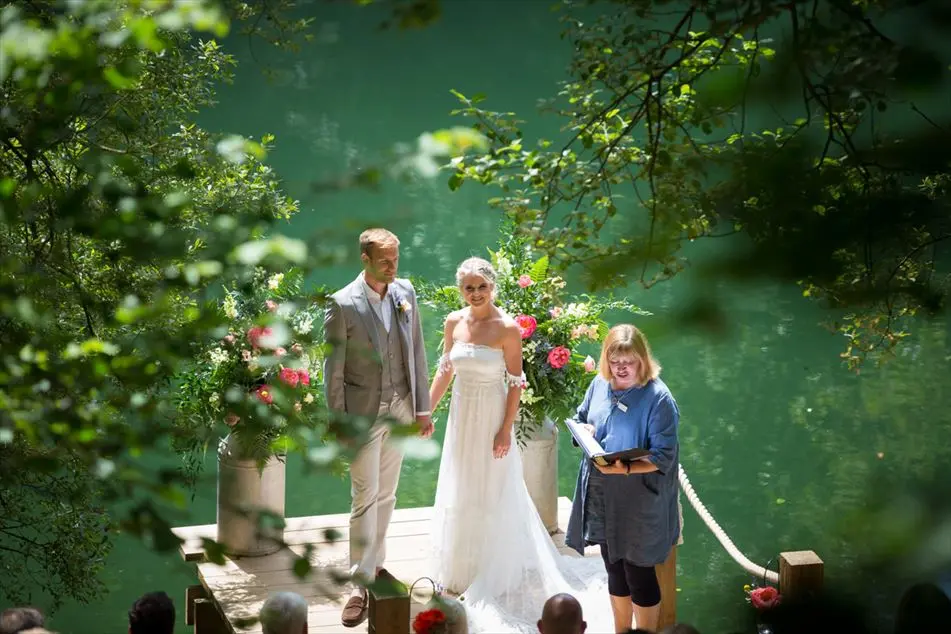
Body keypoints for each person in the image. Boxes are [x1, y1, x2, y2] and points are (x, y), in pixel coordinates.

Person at [428, 257, 610, 633]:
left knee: (494, 489)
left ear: (492, 287)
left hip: (493, 416)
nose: (475, 293)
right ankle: (461, 568)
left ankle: (495, 570)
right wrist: (424, 411)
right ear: (460, 289)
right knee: (462, 486)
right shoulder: (453, 322)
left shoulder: (507, 329)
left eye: (482, 286)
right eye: (469, 287)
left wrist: (505, 430)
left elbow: (515, 382)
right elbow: (445, 370)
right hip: (462, 417)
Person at [323, 228, 433, 627]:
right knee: (364, 496)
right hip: (361, 415)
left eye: (396, 259)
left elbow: (417, 353)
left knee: (387, 494)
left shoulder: (406, 293)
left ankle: (377, 567)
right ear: (365, 260)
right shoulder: (341, 304)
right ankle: (357, 584)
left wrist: (422, 410)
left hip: (401, 409)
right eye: (385, 260)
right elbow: (332, 372)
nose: (392, 266)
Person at [565, 324, 681, 634]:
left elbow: (663, 456)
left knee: (638, 575)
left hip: (639, 502)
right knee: (613, 568)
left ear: (642, 360)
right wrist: (584, 430)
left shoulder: (658, 398)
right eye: (615, 361)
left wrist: (625, 468)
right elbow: (581, 417)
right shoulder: (599, 385)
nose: (621, 368)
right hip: (603, 496)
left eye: (628, 362)